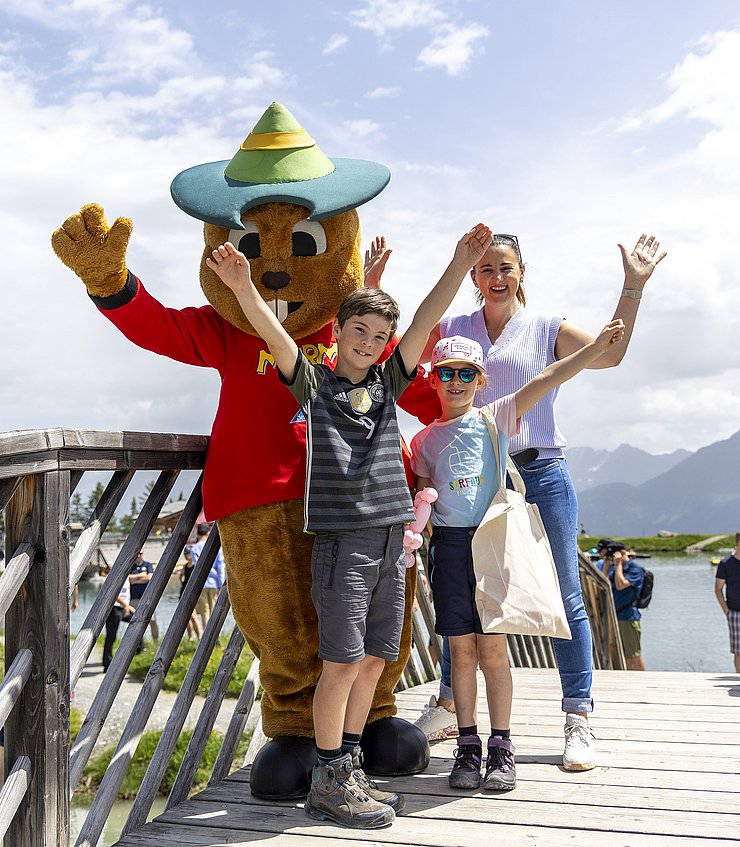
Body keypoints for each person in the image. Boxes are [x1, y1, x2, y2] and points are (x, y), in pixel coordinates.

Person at [205, 223, 493, 829]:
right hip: (345, 545)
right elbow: (276, 336)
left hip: (395, 541)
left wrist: (460, 260)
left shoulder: (389, 383)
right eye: (356, 330)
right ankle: (329, 777)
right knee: (340, 662)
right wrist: (241, 283)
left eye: (377, 335)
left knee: (372, 662)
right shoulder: (316, 385)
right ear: (336, 333)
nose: (367, 342)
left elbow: (424, 320)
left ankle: (350, 764)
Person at [374, 230, 665, 769]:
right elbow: (402, 353)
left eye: (504, 267)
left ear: (521, 271)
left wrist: (632, 287)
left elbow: (611, 354)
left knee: (565, 592)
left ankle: (577, 716)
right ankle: (446, 705)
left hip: (538, 472)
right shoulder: (454, 329)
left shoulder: (545, 328)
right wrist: (373, 287)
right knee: (463, 587)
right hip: (470, 477)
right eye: (484, 269)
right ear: (473, 276)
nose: (495, 277)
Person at [411, 323, 624, 791]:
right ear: (433, 378)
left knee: (493, 652)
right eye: (446, 372)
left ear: (481, 380)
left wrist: (593, 350)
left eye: (467, 374)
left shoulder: (495, 418)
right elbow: (423, 494)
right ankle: (467, 745)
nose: (456, 382)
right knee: (461, 652)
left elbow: (544, 379)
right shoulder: (423, 441)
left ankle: (501, 745)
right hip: (448, 550)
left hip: (492, 543)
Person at [604, 541, 645, 671]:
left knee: (633, 655)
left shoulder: (634, 569)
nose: (612, 559)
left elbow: (620, 585)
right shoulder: (615, 569)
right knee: (620, 654)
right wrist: (606, 567)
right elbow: (604, 586)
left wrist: (618, 566)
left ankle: (643, 680)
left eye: (614, 555)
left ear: (622, 553)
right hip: (616, 616)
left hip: (628, 617)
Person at [189, 523, 226, 630]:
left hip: (202, 583)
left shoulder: (194, 548)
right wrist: (220, 582)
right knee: (215, 610)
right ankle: (216, 636)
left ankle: (206, 636)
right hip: (214, 583)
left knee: (205, 611)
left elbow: (198, 566)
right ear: (208, 533)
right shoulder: (215, 548)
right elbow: (220, 566)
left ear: (198, 533)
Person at [714, 532, 740, 673]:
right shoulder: (726, 564)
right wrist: (727, 611)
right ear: (738, 542)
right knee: (739, 652)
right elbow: (718, 589)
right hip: (735, 612)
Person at [103, 572, 134, 672]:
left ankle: (138, 649)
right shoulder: (116, 576)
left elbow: (142, 578)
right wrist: (126, 606)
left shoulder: (128, 576)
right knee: (111, 636)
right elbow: (114, 594)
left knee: (137, 622)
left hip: (123, 608)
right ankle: (107, 663)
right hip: (114, 608)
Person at [128, 549, 160, 645]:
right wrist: (142, 576)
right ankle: (137, 644)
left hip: (147, 598)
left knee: (152, 621)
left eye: (140, 554)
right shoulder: (130, 566)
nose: (138, 556)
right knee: (135, 622)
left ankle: (156, 642)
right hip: (133, 599)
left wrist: (135, 580)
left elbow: (150, 577)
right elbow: (128, 579)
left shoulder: (147, 565)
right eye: (137, 554)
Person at [181, 545, 203, 641]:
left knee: (193, 616)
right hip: (184, 592)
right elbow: (182, 578)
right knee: (186, 617)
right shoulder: (185, 566)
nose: (186, 556)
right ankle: (190, 637)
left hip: (193, 593)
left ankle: (199, 636)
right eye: (185, 554)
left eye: (188, 553)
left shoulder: (195, 565)